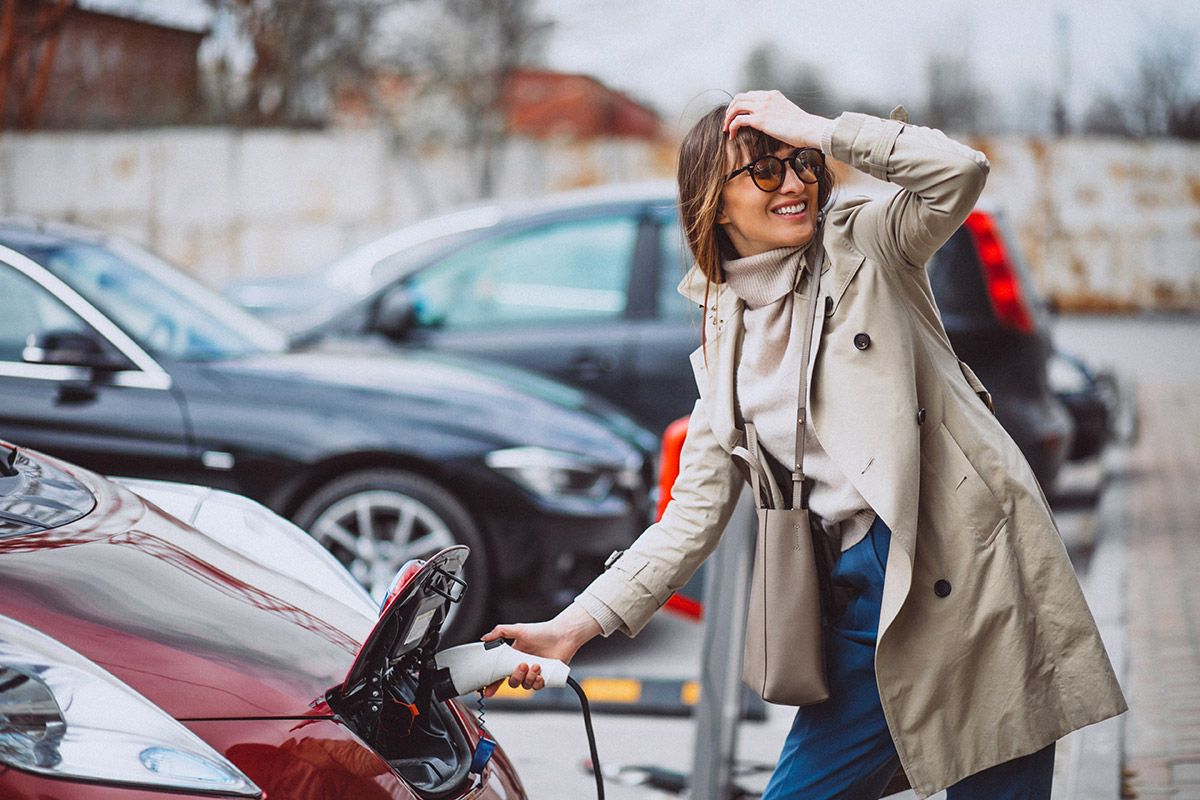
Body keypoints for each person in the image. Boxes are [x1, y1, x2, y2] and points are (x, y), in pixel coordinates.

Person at [481, 91, 1126, 799]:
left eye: (801, 165)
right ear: (714, 203)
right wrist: (574, 625)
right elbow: (688, 518)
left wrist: (820, 129)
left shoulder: (868, 245)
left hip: (966, 570)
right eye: (763, 172)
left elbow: (958, 173)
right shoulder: (724, 334)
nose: (793, 185)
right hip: (857, 602)